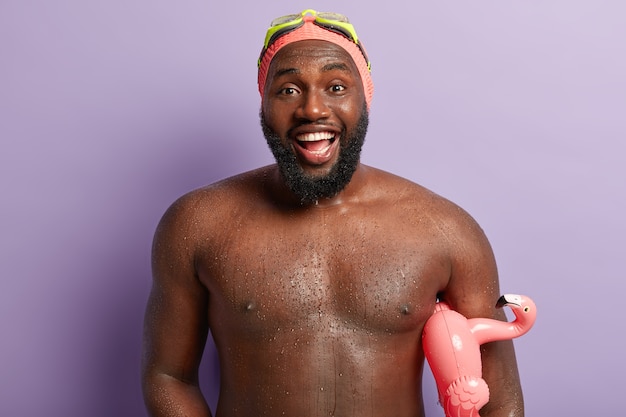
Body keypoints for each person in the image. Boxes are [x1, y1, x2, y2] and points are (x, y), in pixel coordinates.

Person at [141, 9, 524, 417]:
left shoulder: (446, 231)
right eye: (288, 90)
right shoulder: (198, 224)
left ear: (365, 98)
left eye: (337, 86)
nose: (312, 109)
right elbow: (169, 376)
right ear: (264, 103)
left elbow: (499, 402)